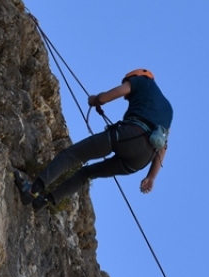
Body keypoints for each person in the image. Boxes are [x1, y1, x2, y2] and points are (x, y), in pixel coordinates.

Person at [16, 69, 173, 209]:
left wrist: (94, 100)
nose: (127, 98)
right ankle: (44, 201)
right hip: (141, 160)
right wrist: (151, 177)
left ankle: (31, 191)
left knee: (72, 155)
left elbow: (104, 98)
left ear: (136, 76)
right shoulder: (168, 110)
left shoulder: (142, 81)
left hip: (130, 136)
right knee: (86, 173)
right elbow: (163, 147)